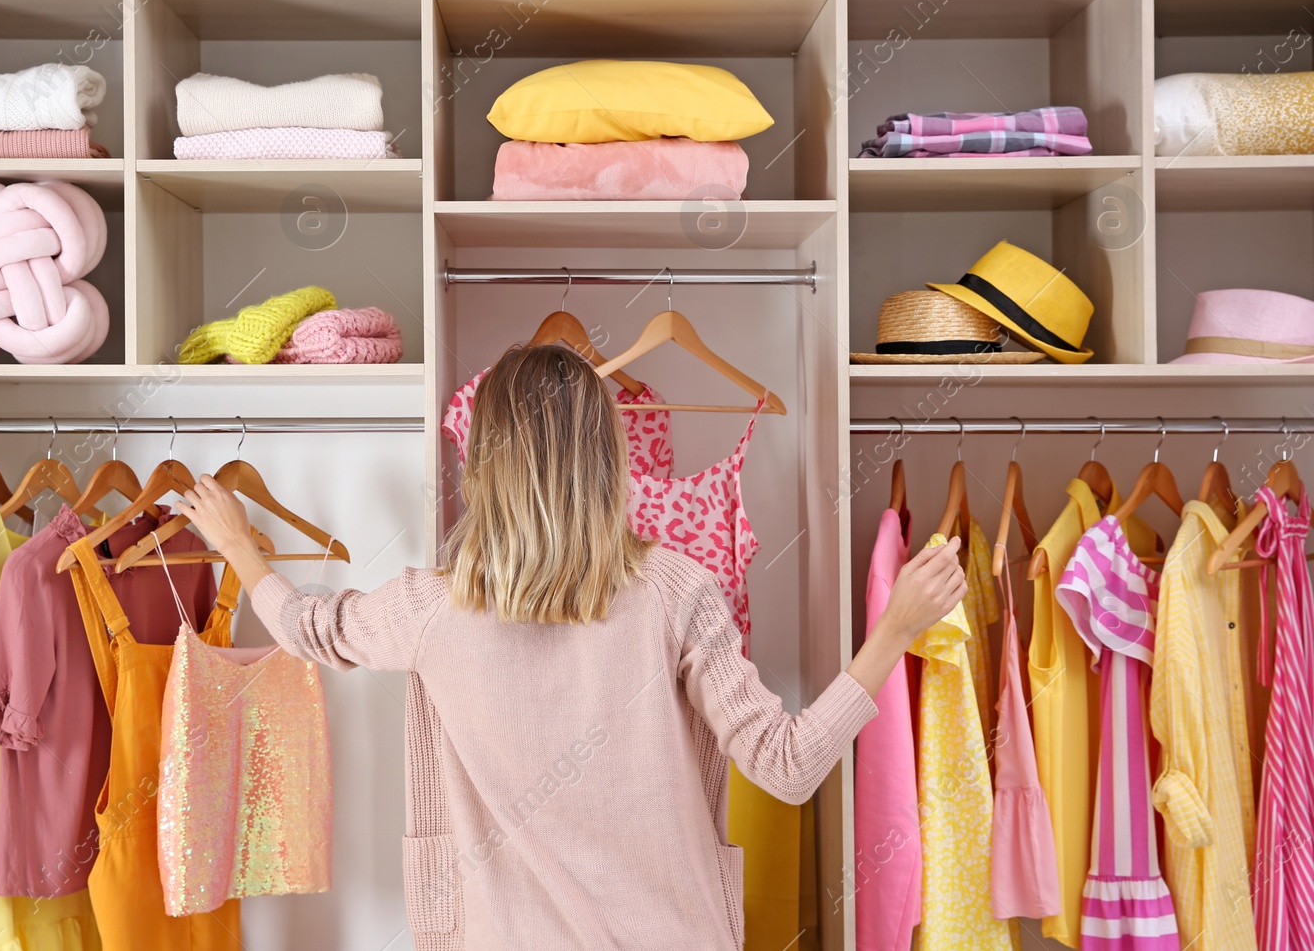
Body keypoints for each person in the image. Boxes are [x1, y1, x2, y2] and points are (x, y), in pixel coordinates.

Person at [177, 343, 966, 951]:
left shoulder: (428, 608)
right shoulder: (676, 591)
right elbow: (787, 765)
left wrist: (245, 550)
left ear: (485, 465)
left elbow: (310, 627)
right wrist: (892, 630)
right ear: (609, 459)